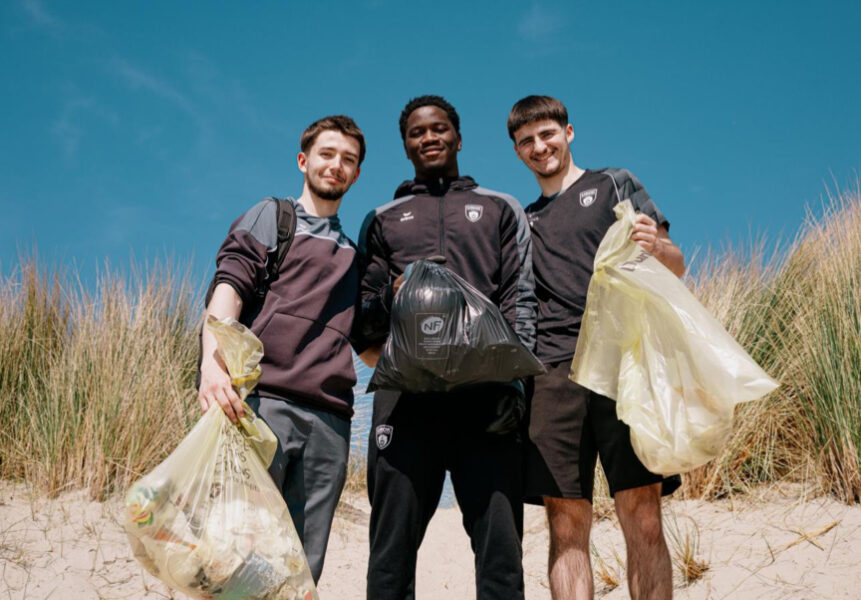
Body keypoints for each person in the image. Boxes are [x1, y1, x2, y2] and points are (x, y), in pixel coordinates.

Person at [358, 95, 537, 600]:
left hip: (486, 399)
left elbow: (521, 298)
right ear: (406, 146)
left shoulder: (501, 207)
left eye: (439, 129)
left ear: (458, 137)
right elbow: (362, 312)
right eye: (417, 132)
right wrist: (389, 304)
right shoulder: (382, 219)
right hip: (406, 402)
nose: (429, 137)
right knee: (390, 552)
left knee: (500, 550)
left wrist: (516, 387)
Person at [507, 95, 685, 600]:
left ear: (569, 132)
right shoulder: (520, 221)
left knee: (643, 512)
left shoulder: (613, 183)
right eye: (527, 141)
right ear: (517, 151)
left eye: (547, 134)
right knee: (565, 525)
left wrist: (658, 247)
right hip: (553, 376)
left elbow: (675, 263)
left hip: (622, 363)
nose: (539, 147)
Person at [198, 115, 368, 583]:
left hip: (331, 422)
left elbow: (370, 347)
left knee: (299, 570)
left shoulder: (356, 257)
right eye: (327, 154)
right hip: (262, 405)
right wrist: (212, 368)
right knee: (237, 558)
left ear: (356, 174)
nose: (336, 165)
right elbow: (228, 290)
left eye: (348, 160)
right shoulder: (274, 216)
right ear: (303, 160)